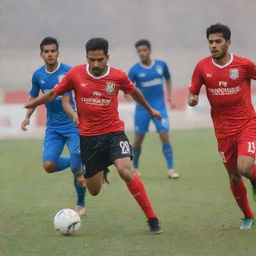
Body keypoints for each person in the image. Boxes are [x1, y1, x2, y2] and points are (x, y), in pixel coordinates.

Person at [24, 37, 163, 235]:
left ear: (107, 57)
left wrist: (150, 110)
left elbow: (134, 92)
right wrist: (33, 104)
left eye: (100, 60)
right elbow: (54, 93)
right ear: (86, 58)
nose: (96, 64)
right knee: (94, 190)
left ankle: (152, 219)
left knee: (125, 171)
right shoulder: (75, 74)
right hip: (89, 138)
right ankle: (101, 167)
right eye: (92, 60)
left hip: (114, 133)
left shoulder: (118, 76)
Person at [188, 23, 256, 229]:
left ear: (228, 43)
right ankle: (248, 215)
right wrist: (192, 99)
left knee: (245, 167)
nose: (213, 46)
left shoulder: (243, 65)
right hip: (223, 132)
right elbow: (193, 91)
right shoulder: (202, 67)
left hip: (247, 124)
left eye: (218, 42)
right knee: (234, 175)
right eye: (210, 42)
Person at [21, 37, 86, 216]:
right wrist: (27, 117)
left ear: (58, 52)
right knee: (49, 166)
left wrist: (80, 115)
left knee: (77, 172)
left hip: (72, 124)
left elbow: (79, 94)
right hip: (53, 128)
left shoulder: (69, 72)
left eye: (53, 51)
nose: (50, 54)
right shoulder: (38, 75)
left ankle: (80, 204)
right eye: (46, 51)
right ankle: (77, 161)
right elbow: (34, 97)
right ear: (41, 54)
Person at [128, 39, 179, 179]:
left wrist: (169, 95)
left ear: (149, 51)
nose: (142, 53)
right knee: (138, 139)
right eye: (139, 51)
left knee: (164, 135)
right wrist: (128, 96)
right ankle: (136, 167)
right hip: (142, 109)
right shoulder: (134, 70)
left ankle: (171, 169)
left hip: (159, 107)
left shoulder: (161, 66)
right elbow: (126, 85)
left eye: (144, 50)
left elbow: (168, 78)